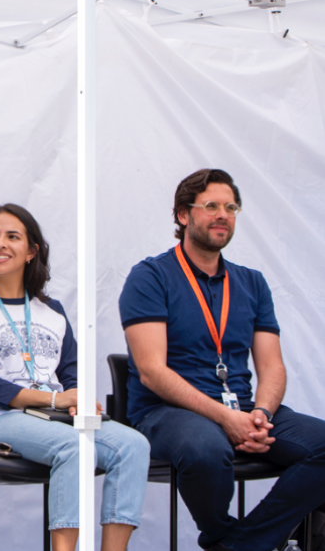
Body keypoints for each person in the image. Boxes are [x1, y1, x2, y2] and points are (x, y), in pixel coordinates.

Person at [120, 169, 325, 551]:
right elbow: (151, 371)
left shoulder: (252, 282)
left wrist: (260, 413)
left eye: (231, 207)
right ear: (183, 215)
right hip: (168, 412)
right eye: (210, 206)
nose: (223, 215)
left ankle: (239, 545)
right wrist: (226, 418)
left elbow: (271, 366)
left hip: (245, 408)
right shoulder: (150, 277)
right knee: (206, 450)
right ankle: (227, 537)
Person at [0, 204, 149, 551]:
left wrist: (76, 396)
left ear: (31, 251)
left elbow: (70, 368)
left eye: (12, 237)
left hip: (53, 416)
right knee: (74, 448)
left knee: (133, 445)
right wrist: (55, 399)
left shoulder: (51, 310)